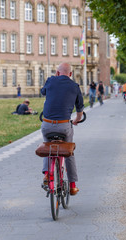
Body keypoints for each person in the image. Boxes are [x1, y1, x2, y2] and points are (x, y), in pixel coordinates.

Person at [40, 62, 84, 196]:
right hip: (64, 126)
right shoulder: (75, 86)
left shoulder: (51, 80)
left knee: (47, 147)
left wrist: (54, 78)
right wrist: (76, 120)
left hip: (47, 125)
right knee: (68, 151)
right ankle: (72, 185)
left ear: (57, 73)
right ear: (70, 74)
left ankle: (47, 174)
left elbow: (43, 92)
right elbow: (80, 110)